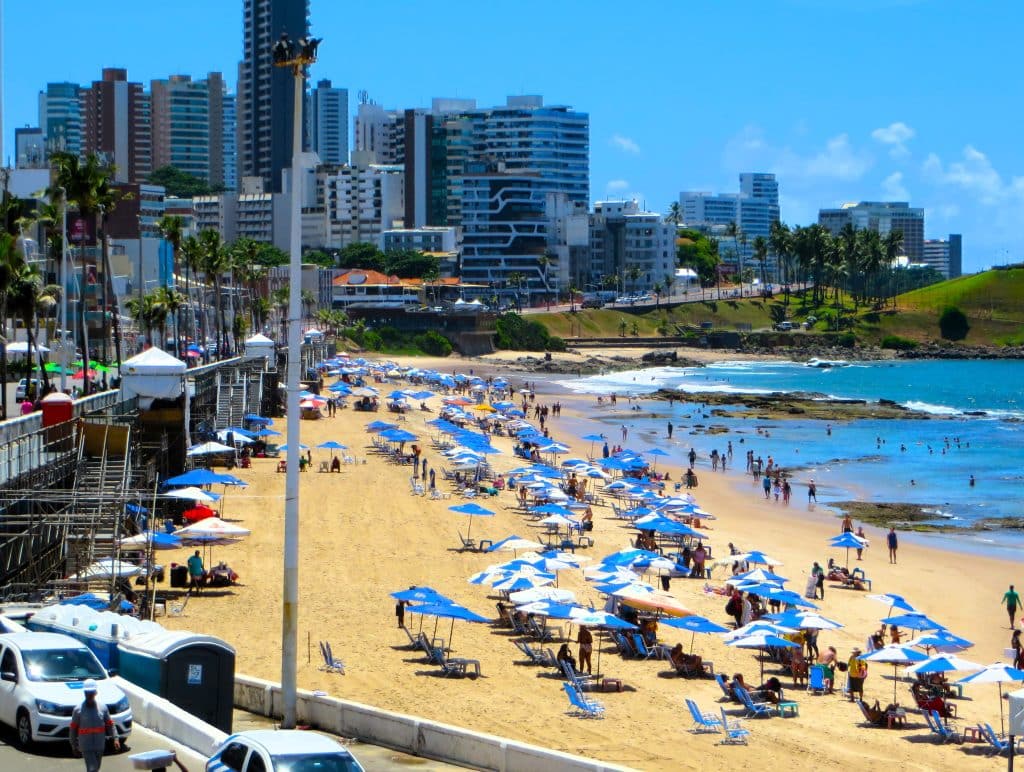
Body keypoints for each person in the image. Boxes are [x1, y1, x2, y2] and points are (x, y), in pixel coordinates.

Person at [70, 678, 120, 770]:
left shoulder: (103, 708)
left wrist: (115, 738)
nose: (88, 695)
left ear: (95, 693)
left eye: (91, 693)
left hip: (99, 745)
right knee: (92, 769)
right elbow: (73, 729)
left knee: (96, 768)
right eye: (87, 693)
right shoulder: (78, 710)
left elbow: (110, 724)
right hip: (86, 746)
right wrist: (74, 745)